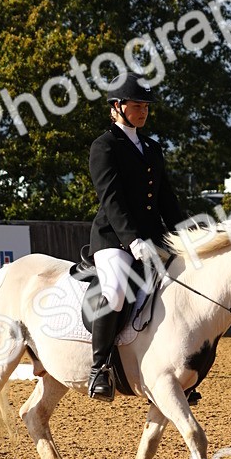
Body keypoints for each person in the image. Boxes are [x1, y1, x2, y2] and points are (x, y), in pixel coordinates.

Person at [87, 73, 188, 401]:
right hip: (114, 238)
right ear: (117, 107)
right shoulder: (104, 146)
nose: (143, 110)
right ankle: (100, 368)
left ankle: (178, 372)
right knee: (115, 292)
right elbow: (111, 198)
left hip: (153, 239)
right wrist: (132, 239)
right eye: (137, 104)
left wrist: (189, 237)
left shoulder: (153, 148)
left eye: (146, 105)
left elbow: (166, 200)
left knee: (178, 290)